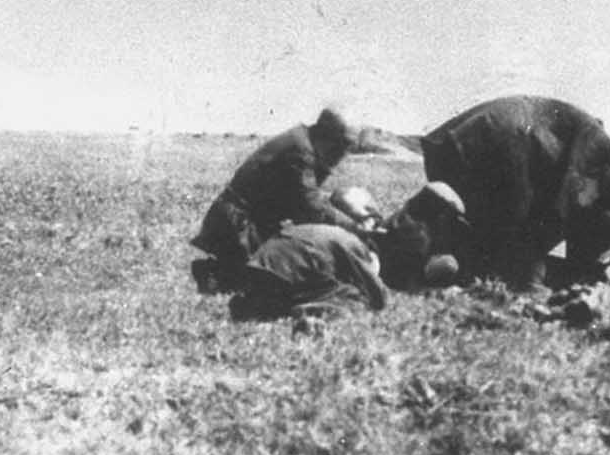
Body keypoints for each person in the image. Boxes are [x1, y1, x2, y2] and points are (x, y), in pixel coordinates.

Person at [419, 96, 610, 287]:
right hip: (495, 141)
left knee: (480, 230)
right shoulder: (607, 145)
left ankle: (434, 258)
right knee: (532, 215)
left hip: (456, 141)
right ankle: (516, 280)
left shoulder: (594, 138)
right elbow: (570, 201)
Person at [190, 108, 371, 293]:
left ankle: (222, 271)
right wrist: (355, 228)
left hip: (247, 224)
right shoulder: (300, 152)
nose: (342, 155)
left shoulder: (303, 143)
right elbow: (311, 207)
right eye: (342, 146)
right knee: (270, 285)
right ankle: (216, 273)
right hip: (238, 228)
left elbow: (306, 200)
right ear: (326, 137)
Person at [227, 223, 389, 322]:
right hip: (288, 271)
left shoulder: (329, 232)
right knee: (353, 296)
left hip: (257, 266)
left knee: (321, 283)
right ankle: (312, 308)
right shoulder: (355, 246)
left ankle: (254, 303)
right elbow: (377, 295)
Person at [371, 181, 469, 291]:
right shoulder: (417, 233)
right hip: (387, 269)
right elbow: (408, 276)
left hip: (381, 258)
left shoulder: (406, 216)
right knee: (448, 264)